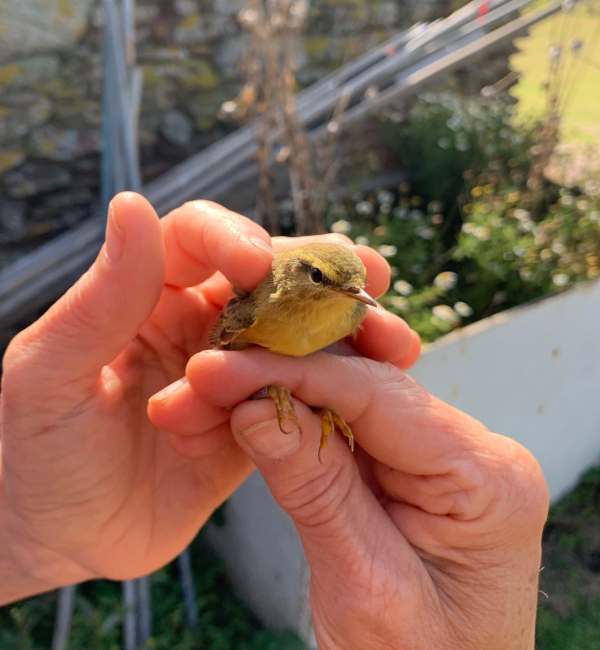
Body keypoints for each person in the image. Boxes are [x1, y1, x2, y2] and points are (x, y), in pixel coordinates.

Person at [0, 192, 548, 649]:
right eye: (323, 281)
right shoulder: (258, 306)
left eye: (354, 290)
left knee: (335, 375)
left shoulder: (352, 308)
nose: (351, 299)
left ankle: (314, 400)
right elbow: (223, 343)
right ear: (295, 277)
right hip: (233, 392)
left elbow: (348, 317)